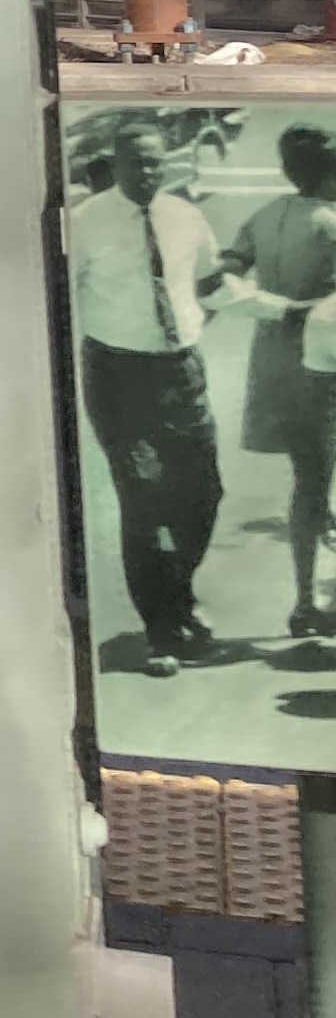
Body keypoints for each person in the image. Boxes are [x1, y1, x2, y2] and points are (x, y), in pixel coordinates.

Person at [74, 118, 230, 671]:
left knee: (204, 494)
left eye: (155, 161)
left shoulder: (186, 217)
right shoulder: (86, 223)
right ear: (115, 165)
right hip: (118, 374)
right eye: (136, 162)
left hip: (182, 370)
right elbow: (55, 294)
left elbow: (212, 282)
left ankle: (178, 595)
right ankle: (161, 632)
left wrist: (276, 304)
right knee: (143, 500)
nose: (147, 171)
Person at [232, 125, 336, 636]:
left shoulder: (265, 215)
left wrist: (272, 306)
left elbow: (223, 275)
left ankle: (302, 600)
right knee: (319, 485)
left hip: (278, 366)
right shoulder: (331, 222)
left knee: (309, 484)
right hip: (326, 364)